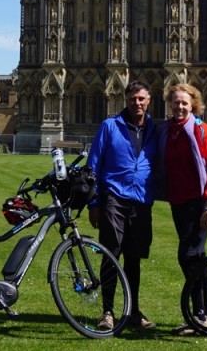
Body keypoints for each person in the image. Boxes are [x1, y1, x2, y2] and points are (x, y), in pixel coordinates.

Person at [87, 80, 160, 332]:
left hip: (140, 201)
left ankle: (132, 311)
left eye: (141, 99)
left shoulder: (154, 129)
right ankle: (107, 311)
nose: (137, 103)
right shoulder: (110, 126)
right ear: (125, 100)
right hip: (113, 199)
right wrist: (94, 203)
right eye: (132, 99)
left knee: (133, 258)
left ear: (149, 100)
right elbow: (93, 166)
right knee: (111, 254)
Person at [158, 83, 207, 335]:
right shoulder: (168, 131)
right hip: (179, 201)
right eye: (176, 102)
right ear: (170, 105)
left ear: (193, 105)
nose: (180, 107)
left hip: (200, 203)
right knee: (197, 257)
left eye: (185, 103)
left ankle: (198, 315)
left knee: (187, 256)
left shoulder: (203, 131)